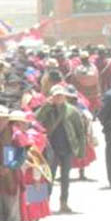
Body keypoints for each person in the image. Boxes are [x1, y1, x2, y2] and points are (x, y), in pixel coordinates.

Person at [36, 85, 86, 213]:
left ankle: (64, 202)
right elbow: (36, 121)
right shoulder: (47, 109)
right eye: (56, 96)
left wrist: (81, 150)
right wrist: (45, 107)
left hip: (67, 147)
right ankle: (44, 204)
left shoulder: (72, 111)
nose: (58, 98)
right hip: (50, 148)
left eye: (61, 95)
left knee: (65, 177)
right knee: (47, 176)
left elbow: (80, 131)